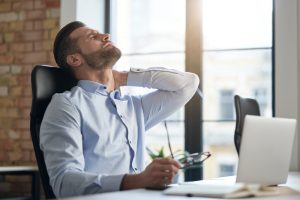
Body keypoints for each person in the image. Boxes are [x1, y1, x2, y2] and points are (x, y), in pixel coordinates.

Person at [40, 21, 199, 197]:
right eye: (93, 36)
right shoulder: (67, 105)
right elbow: (63, 183)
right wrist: (138, 181)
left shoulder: (134, 107)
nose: (106, 36)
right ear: (75, 59)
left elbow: (187, 84)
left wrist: (124, 77)